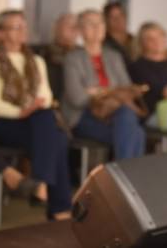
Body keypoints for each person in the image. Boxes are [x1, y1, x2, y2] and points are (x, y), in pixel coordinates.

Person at [0, 10, 72, 219]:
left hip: (33, 121)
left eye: (24, 26)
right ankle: (59, 207)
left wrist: (32, 108)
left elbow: (46, 96)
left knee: (50, 125)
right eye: (16, 27)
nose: (23, 31)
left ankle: (41, 184)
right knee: (57, 138)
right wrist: (20, 112)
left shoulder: (36, 60)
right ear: (1, 32)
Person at [62, 10, 146, 160]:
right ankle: (127, 173)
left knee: (128, 122)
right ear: (80, 30)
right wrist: (112, 91)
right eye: (90, 24)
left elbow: (127, 90)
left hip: (114, 114)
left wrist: (97, 91)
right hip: (83, 116)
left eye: (100, 23)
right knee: (136, 133)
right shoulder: (72, 58)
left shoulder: (114, 56)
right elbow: (77, 98)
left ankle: (122, 172)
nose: (97, 27)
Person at [45, 12, 79, 102]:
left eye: (77, 26)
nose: (74, 29)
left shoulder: (84, 53)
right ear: (56, 28)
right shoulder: (44, 53)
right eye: (68, 25)